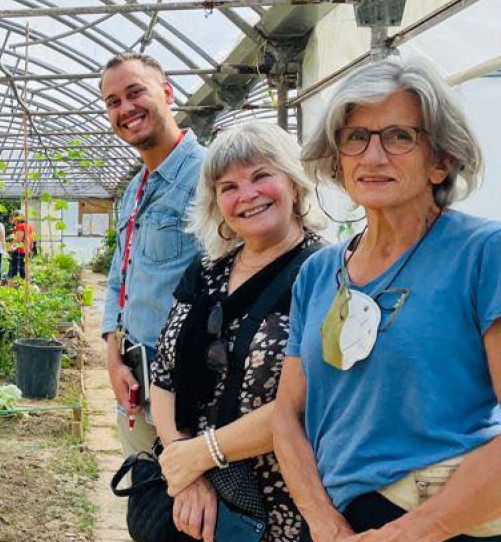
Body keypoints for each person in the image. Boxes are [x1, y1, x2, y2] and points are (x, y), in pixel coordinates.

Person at [273, 57, 501, 542]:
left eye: (399, 137)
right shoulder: (318, 273)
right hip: (342, 521)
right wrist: (323, 522)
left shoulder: (484, 253)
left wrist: (408, 534)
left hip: (447, 522)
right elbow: (286, 416)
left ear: (442, 159)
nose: (372, 157)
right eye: (355, 137)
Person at [149, 122, 326, 542]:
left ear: (295, 185)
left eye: (262, 176)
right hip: (195, 492)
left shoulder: (324, 273)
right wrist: (183, 464)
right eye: (228, 187)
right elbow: (164, 371)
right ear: (216, 204)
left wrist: (199, 455)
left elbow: (307, 402)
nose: (246, 195)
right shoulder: (208, 271)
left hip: (283, 503)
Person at [99, 51, 206, 455]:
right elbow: (117, 280)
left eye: (134, 93)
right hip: (134, 388)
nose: (125, 109)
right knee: (146, 513)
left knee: (188, 515)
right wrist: (113, 355)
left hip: (187, 401)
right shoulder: (135, 189)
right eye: (113, 102)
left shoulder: (210, 178)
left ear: (167, 93)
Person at [7, 211, 33, 280]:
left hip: (19, 253)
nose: (12, 220)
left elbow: (17, 240)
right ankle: (27, 288)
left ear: (16, 218)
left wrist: (9, 249)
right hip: (27, 251)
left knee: (13, 273)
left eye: (13, 218)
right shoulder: (28, 226)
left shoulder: (20, 226)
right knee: (25, 272)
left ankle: (11, 289)